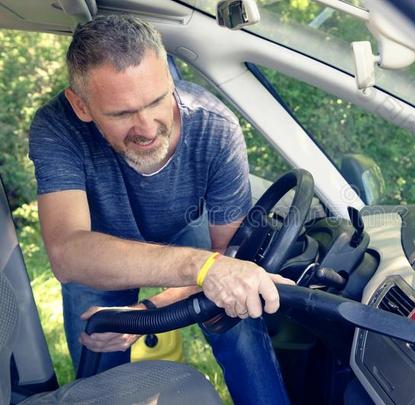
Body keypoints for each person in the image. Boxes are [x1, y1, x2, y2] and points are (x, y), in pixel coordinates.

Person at [29, 15, 292, 404]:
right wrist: (201, 269)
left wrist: (150, 309)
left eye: (157, 100)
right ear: (81, 105)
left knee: (237, 321)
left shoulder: (215, 127)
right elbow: (68, 251)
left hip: (186, 228)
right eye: (121, 114)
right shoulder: (57, 127)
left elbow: (226, 257)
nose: (148, 127)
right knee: (99, 347)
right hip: (98, 244)